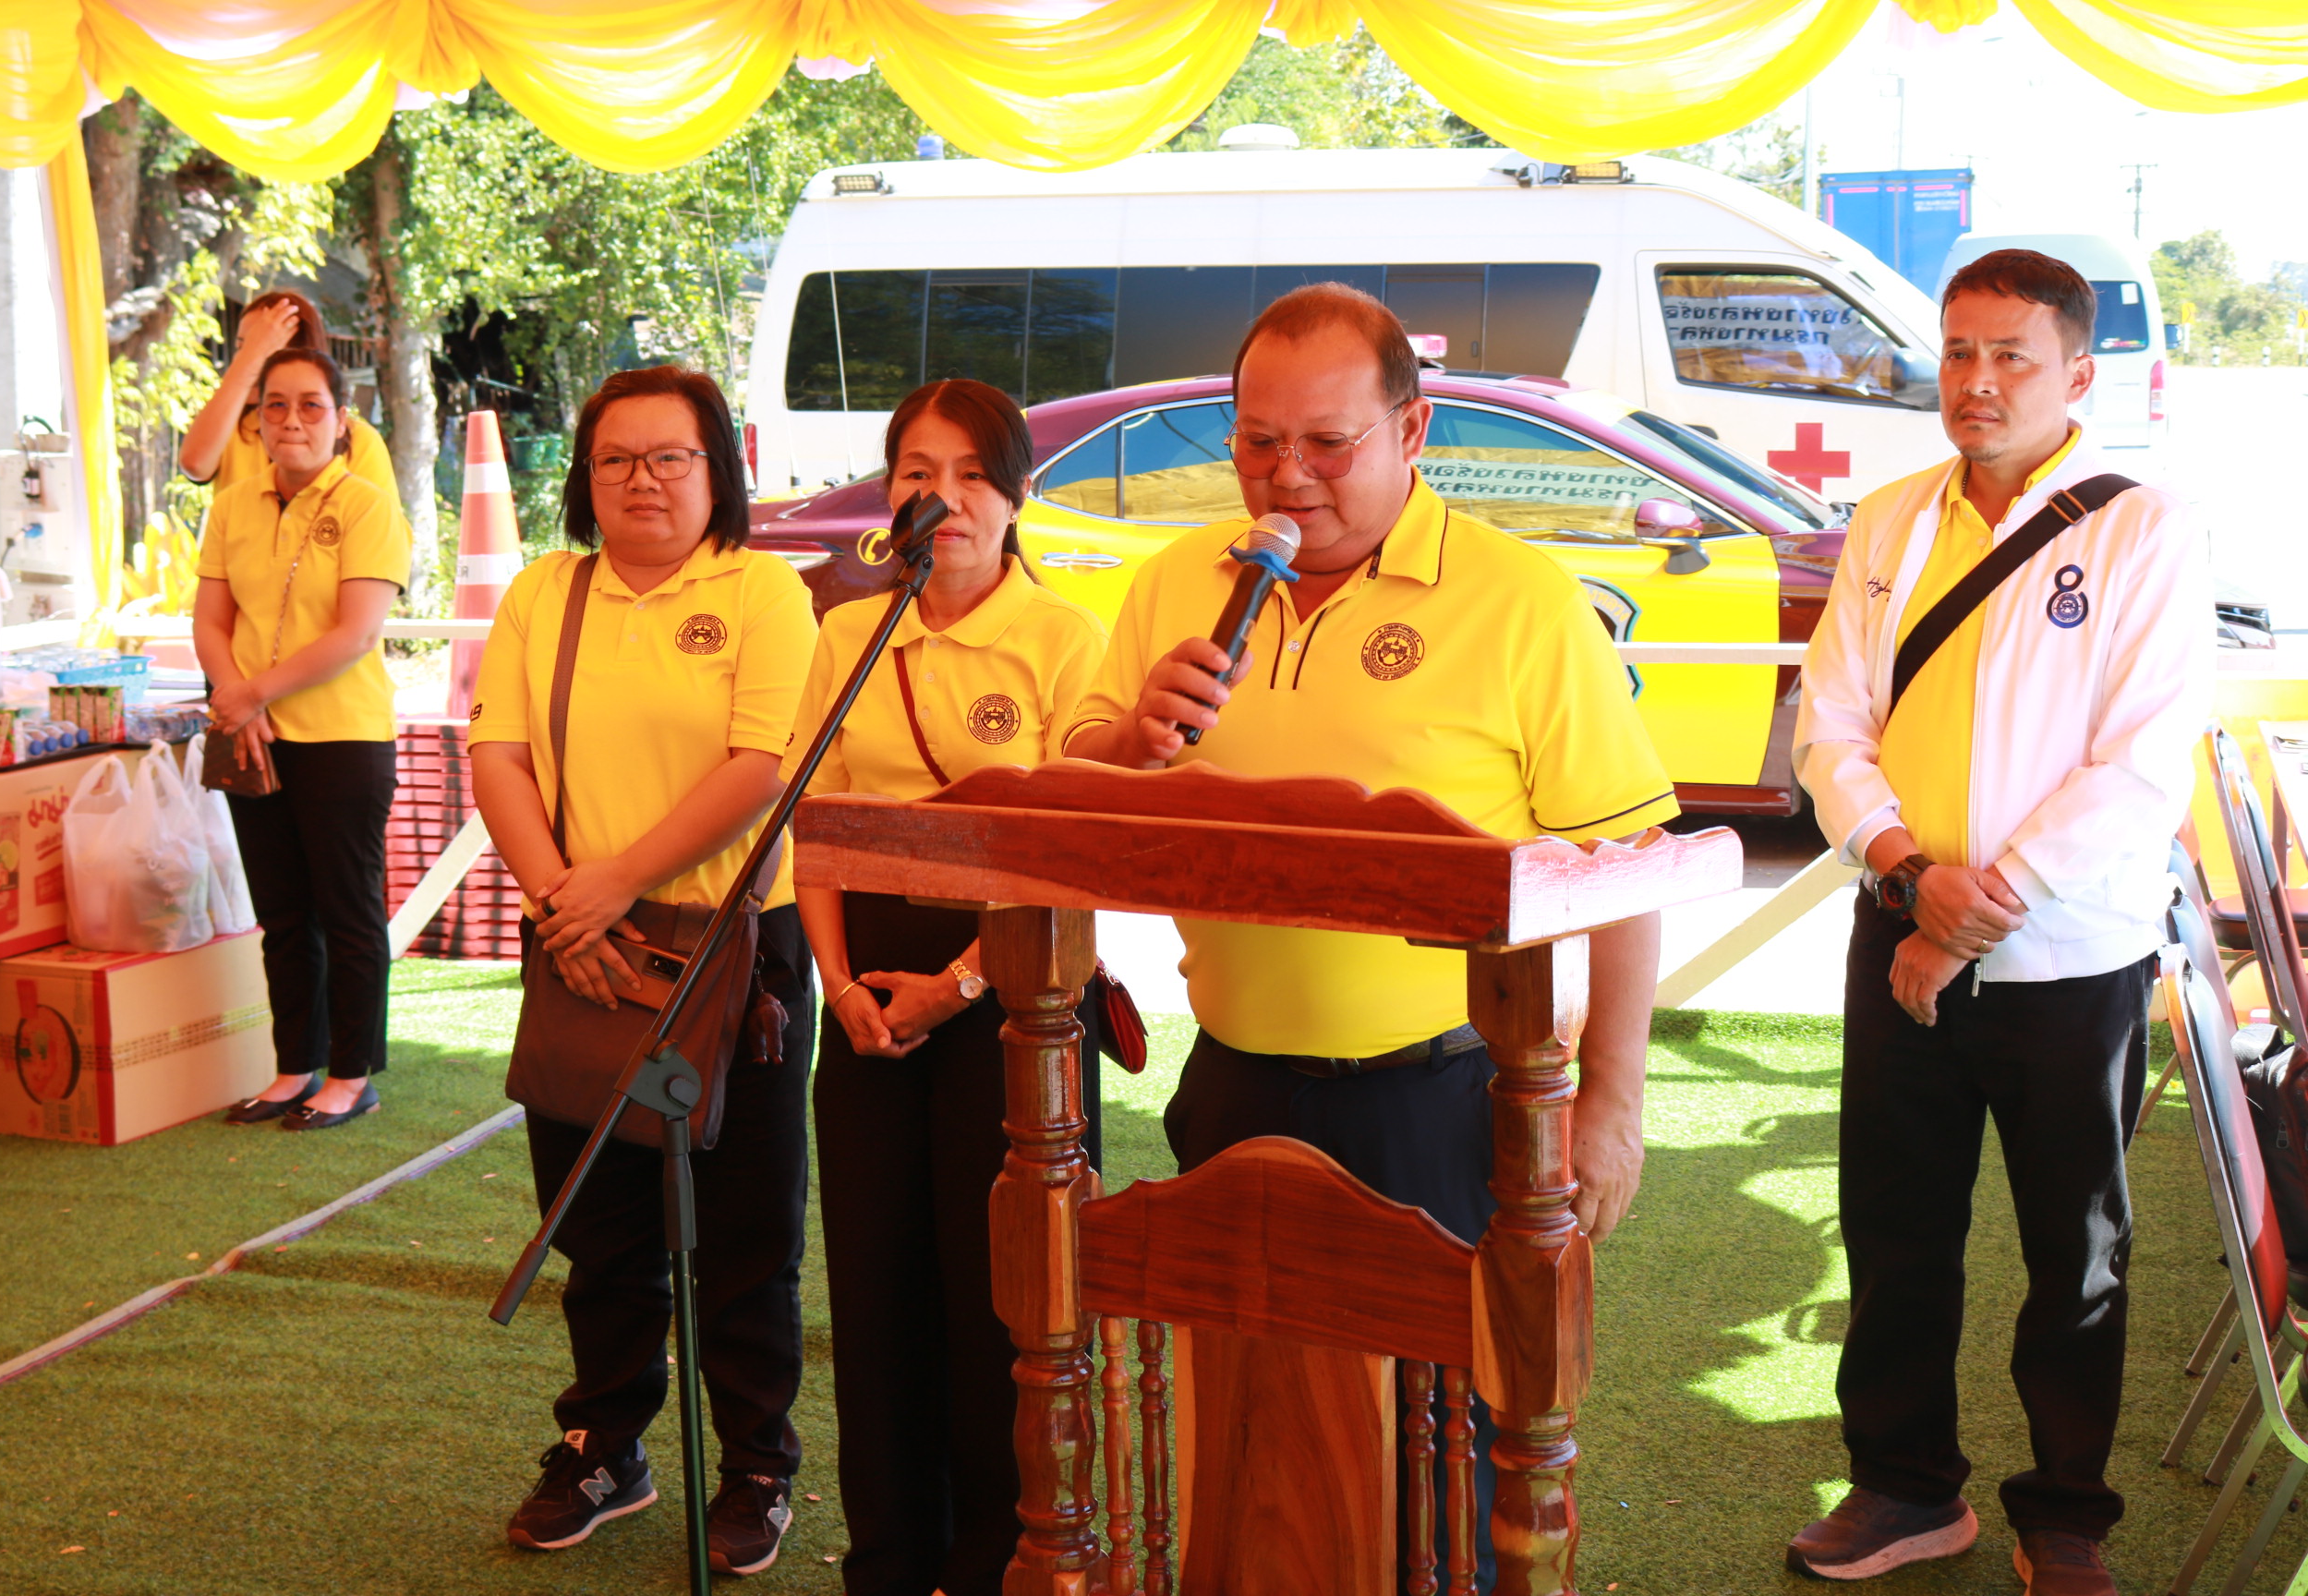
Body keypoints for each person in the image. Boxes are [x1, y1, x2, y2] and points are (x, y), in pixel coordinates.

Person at [1062, 281, 1674, 1554]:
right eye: (1256, 441)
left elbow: (1629, 868)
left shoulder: (1520, 601)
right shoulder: (1175, 582)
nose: (1287, 477)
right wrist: (1127, 744)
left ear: (1413, 429)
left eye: (1327, 444)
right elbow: (1075, 795)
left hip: (1442, 1105)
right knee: (1250, 1459)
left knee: (1445, 1484)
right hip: (1233, 1087)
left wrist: (1612, 1102)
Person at [1784, 250, 2213, 1596]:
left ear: (2076, 374)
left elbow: (2139, 765)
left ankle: (2064, 1515)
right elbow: (1829, 727)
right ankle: (1905, 1486)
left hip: (2068, 957)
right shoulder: (1891, 519)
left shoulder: (2142, 529)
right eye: (1958, 351)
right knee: (1894, 1227)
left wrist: (1975, 913)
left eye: (2009, 356)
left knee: (2074, 1251)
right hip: (1898, 924)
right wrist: (1910, 873)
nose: (1974, 380)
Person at [468, 366, 818, 1577]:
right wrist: (562, 902)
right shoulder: (545, 592)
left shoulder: (764, 590)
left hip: (732, 953)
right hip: (580, 940)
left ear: (718, 469)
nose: (642, 480)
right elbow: (498, 755)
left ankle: (758, 1467)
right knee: (599, 1220)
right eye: (616, 459)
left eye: (671, 457)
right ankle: (603, 1447)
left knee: (746, 1230)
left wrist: (611, 882)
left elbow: (758, 766)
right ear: (585, 477)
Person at [788, 379, 1107, 1596]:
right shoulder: (847, 635)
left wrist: (957, 987)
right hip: (864, 997)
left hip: (1013, 999)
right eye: (920, 473)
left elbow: (1068, 854)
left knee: (1001, 1300)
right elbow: (814, 822)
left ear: (1018, 495)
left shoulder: (1065, 640)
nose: (947, 498)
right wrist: (838, 987)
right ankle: (888, 1562)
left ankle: (998, 1562)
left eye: (975, 474)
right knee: (876, 1293)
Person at [197, 346, 409, 1130]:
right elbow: (211, 622)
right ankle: (294, 1068)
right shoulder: (231, 505)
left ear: (341, 421)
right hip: (253, 734)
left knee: (347, 912)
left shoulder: (367, 506)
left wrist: (249, 694)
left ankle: (352, 1076)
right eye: (275, 405)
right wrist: (239, 704)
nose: (291, 420)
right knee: (282, 915)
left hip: (343, 739)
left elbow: (355, 635)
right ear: (255, 421)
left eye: (311, 405)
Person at [179, 289, 401, 501]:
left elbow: (379, 524)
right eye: (241, 349)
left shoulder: (359, 441)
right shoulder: (234, 429)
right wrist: (248, 361)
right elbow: (194, 464)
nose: (247, 363)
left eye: (263, 349)